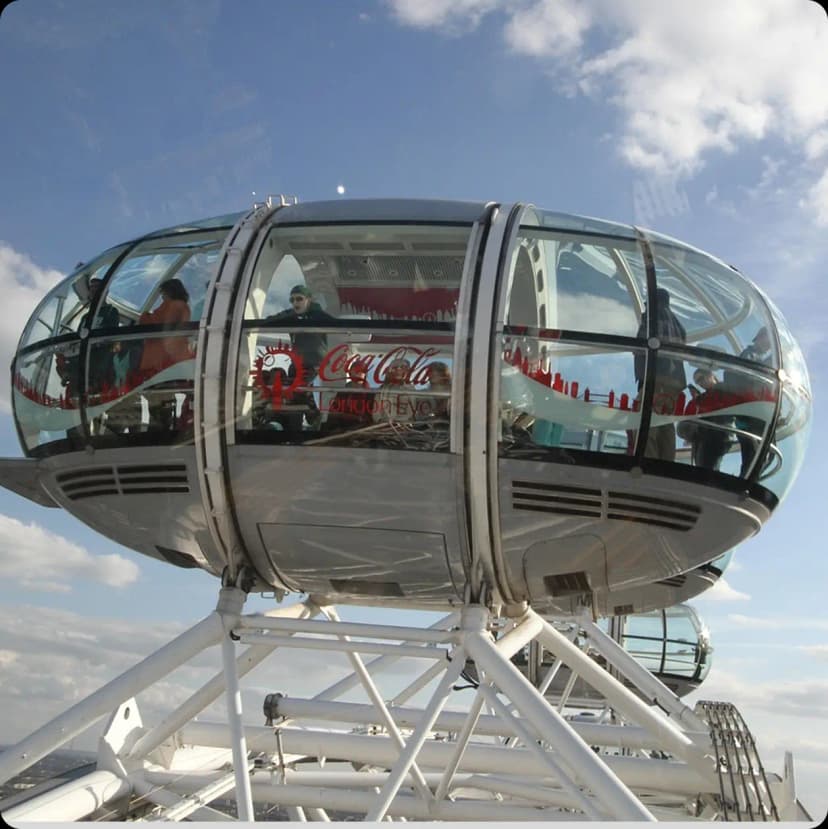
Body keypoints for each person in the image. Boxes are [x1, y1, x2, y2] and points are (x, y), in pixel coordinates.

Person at [266, 284, 336, 429]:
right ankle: (306, 419)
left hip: (315, 363)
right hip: (297, 363)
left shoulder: (318, 315)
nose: (295, 303)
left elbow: (336, 323)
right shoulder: (292, 315)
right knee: (292, 389)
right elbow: (272, 320)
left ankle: (310, 417)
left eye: (299, 299)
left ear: (308, 300)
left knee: (298, 387)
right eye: (292, 300)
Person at [634, 288, 687, 461]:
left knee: (643, 421)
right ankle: (666, 463)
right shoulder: (677, 323)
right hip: (675, 380)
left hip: (655, 377)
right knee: (665, 422)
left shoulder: (651, 317)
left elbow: (641, 345)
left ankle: (647, 463)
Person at [725, 326, 773, 477]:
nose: (769, 344)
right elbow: (741, 377)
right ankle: (742, 484)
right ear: (759, 338)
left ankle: (747, 480)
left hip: (758, 414)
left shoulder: (761, 358)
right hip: (749, 415)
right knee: (752, 454)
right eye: (767, 339)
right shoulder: (750, 355)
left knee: (766, 455)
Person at [680, 368, 733, 472]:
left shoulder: (724, 389)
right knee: (701, 467)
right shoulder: (704, 396)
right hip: (704, 434)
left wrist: (698, 400)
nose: (700, 383)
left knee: (707, 469)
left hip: (717, 434)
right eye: (697, 382)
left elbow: (716, 405)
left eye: (701, 378)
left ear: (710, 375)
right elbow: (689, 414)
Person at [138, 278, 192, 375]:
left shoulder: (173, 305)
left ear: (170, 292)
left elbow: (158, 322)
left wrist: (145, 316)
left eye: (164, 293)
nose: (162, 297)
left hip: (162, 354)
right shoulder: (184, 307)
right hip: (177, 353)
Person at [323, 363, 375, 434]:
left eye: (361, 370)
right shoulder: (342, 391)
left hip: (360, 433)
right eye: (355, 370)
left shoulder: (370, 394)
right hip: (339, 432)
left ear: (365, 374)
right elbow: (332, 412)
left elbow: (369, 419)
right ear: (350, 372)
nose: (358, 372)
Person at [373, 358, 417, 425]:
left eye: (402, 367)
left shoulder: (411, 389)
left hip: (406, 429)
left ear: (407, 371)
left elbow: (415, 412)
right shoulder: (382, 389)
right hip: (385, 428)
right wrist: (380, 422)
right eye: (395, 367)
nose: (398, 370)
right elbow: (376, 413)